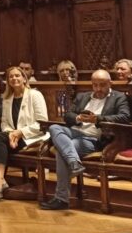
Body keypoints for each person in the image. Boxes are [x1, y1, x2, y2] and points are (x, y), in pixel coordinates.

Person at [40, 69, 131, 211]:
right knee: (54, 128)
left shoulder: (118, 97)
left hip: (93, 138)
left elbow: (125, 117)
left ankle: (61, 198)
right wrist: (78, 118)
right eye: (95, 85)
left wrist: (98, 119)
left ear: (110, 83)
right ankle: (74, 162)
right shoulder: (83, 96)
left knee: (62, 150)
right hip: (74, 131)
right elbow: (68, 115)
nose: (98, 89)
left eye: (102, 85)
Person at [0, 66, 48, 201]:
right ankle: (0, 181)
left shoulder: (35, 95)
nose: (14, 78)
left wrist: (20, 132)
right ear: (8, 81)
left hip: (32, 136)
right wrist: (11, 134)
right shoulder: (7, 99)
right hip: (12, 138)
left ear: (24, 79)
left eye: (17, 75)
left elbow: (42, 123)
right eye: (11, 76)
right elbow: (4, 123)